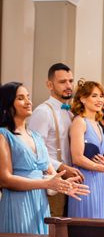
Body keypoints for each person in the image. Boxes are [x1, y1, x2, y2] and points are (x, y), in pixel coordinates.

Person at [0, 82, 87, 234]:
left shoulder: (37, 137)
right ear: (7, 104)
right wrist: (46, 183)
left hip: (40, 204)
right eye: (21, 98)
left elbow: (51, 174)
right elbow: (5, 179)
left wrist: (64, 185)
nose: (28, 102)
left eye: (28, 97)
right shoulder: (3, 135)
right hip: (18, 204)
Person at [29, 62, 84, 216]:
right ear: (49, 85)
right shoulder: (43, 112)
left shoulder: (70, 113)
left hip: (70, 182)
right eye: (62, 82)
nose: (68, 85)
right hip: (51, 181)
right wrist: (62, 167)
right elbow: (35, 150)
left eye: (70, 81)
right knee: (52, 229)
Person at [68, 81, 104, 219]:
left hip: (99, 180)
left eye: (101, 96)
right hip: (85, 180)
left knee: (99, 220)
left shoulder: (98, 125)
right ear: (83, 99)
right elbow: (77, 158)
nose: (99, 100)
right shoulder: (79, 122)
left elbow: (93, 152)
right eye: (94, 96)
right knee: (87, 222)